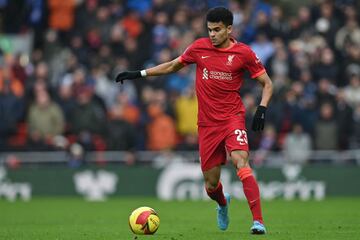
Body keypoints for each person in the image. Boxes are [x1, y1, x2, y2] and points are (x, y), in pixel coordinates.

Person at [115, 7, 273, 235]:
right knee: (211, 184)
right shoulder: (199, 47)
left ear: (229, 29)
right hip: (207, 124)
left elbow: (267, 83)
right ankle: (222, 203)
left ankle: (258, 222)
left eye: (217, 30)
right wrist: (138, 74)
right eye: (209, 29)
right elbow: (172, 65)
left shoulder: (244, 53)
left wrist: (261, 109)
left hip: (232, 118)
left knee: (241, 162)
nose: (212, 34)